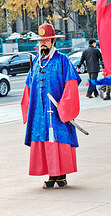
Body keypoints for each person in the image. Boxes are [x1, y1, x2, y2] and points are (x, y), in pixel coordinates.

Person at [21, 23, 82, 189]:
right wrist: (29, 107)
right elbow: (28, 88)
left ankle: (61, 175)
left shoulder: (63, 60)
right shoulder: (35, 63)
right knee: (45, 142)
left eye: (46, 40)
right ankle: (51, 174)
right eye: (41, 41)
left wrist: (64, 106)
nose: (43, 44)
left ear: (53, 42)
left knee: (58, 141)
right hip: (40, 112)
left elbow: (71, 84)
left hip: (57, 111)